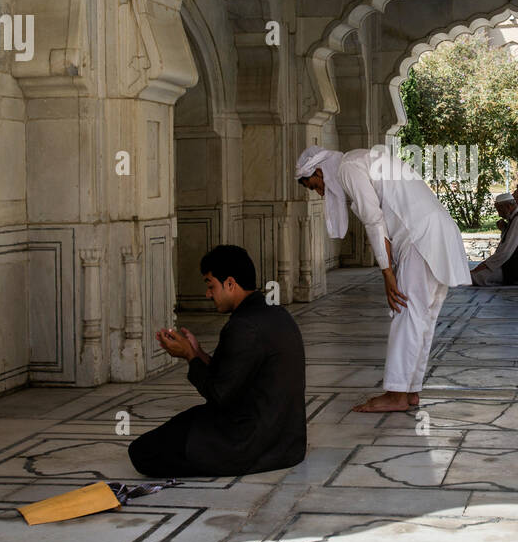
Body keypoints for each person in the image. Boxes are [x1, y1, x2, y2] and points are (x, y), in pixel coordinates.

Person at [295, 143, 471, 412]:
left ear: (319, 171)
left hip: (419, 238)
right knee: (422, 316)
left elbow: (374, 221)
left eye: (314, 186)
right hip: (435, 231)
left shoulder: (347, 168)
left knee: (406, 312)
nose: (319, 192)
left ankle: (397, 394)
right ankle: (410, 391)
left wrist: (387, 275)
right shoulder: (359, 158)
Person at [128, 244, 306, 477]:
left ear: (230, 283)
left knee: (142, 452)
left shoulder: (243, 326)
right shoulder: (273, 312)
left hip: (249, 441)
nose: (208, 294)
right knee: (183, 425)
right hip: (286, 442)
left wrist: (189, 356)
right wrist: (199, 352)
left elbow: (218, 394)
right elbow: (235, 375)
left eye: (211, 286)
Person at [470, 191, 518, 286]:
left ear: (509, 206)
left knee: (474, 277)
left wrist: (482, 266)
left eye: (500, 210)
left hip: (517, 271)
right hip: (515, 267)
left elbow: (505, 252)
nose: (499, 215)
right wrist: (504, 229)